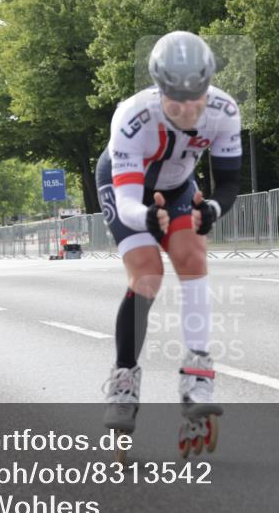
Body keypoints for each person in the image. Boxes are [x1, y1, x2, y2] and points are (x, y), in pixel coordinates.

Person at [95, 31, 241, 455]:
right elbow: (125, 202)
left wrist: (213, 207)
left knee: (193, 256)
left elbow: (229, 180)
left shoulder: (225, 110)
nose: (187, 109)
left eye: (195, 98)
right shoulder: (132, 116)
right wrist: (147, 218)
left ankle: (198, 374)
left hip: (177, 188)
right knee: (147, 274)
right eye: (175, 101)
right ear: (159, 90)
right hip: (128, 191)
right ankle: (124, 380)